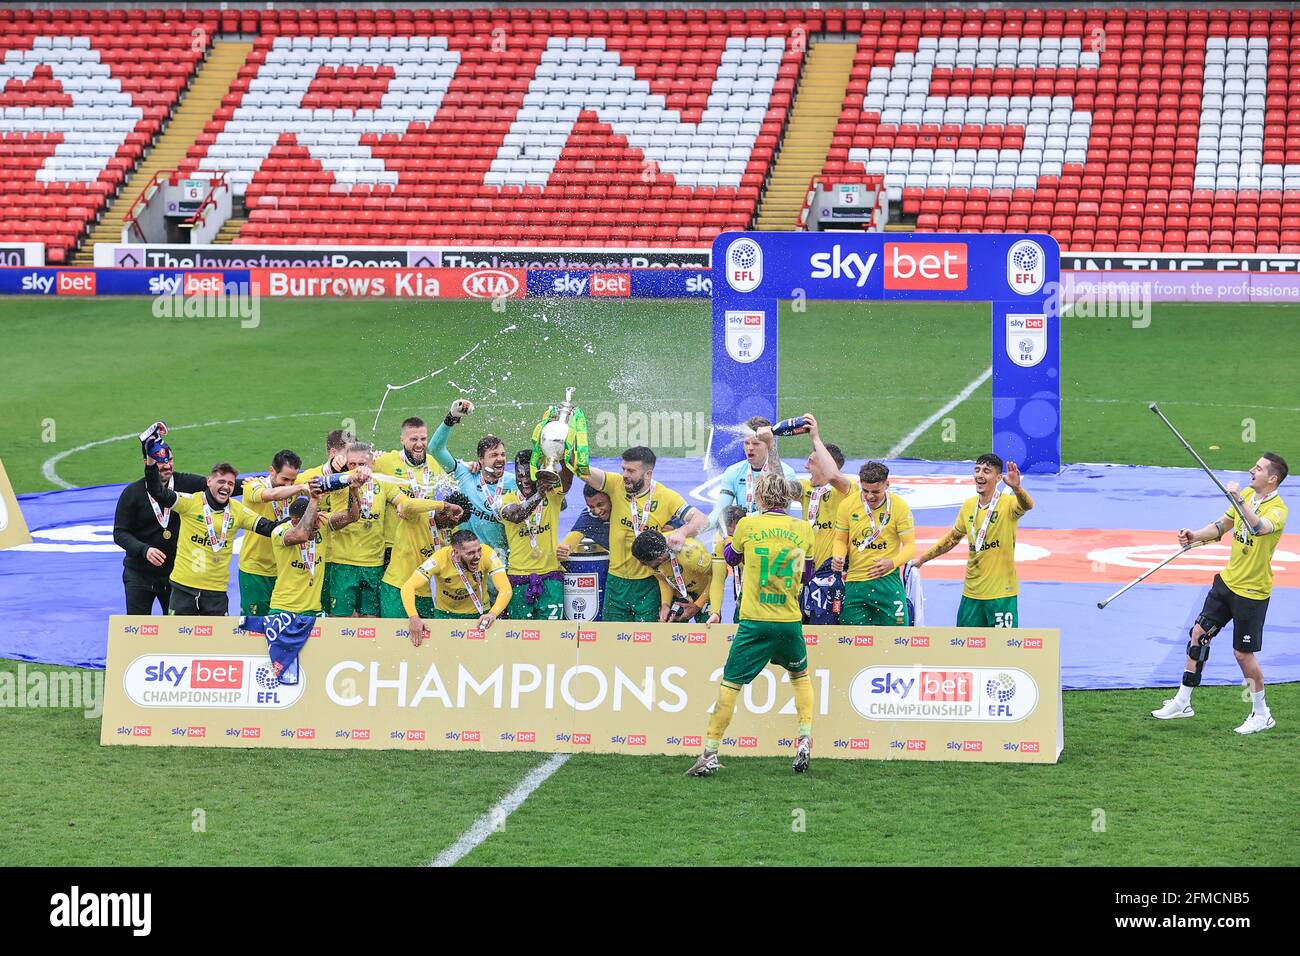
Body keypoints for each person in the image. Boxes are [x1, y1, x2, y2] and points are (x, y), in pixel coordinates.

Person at [687, 473, 815, 777]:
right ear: (786, 497)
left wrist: (729, 539)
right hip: (788, 620)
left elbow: (731, 558)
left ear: (759, 496)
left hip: (754, 621)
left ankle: (710, 752)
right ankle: (805, 738)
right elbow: (807, 575)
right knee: (800, 677)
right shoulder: (804, 529)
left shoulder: (748, 524)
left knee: (731, 684)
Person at [1152, 453, 1288, 734]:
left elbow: (1258, 528)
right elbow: (1220, 527)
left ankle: (1262, 713)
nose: (1252, 470)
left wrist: (1237, 500)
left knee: (1242, 654)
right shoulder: (1248, 493)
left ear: (1272, 478)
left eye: (1259, 468)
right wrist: (1195, 536)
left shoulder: (1278, 510)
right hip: (1227, 583)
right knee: (1199, 634)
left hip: (1252, 592)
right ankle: (1183, 701)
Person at [113, 435, 243, 614]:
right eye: (160, 461)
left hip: (174, 575)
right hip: (139, 574)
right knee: (137, 628)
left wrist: (263, 484)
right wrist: (144, 550)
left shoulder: (186, 483)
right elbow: (120, 533)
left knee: (176, 631)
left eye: (170, 460)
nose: (167, 465)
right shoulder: (132, 493)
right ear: (148, 462)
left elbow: (222, 486)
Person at [577, 446, 709, 622]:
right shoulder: (616, 484)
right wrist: (566, 449)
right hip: (616, 580)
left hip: (650, 582)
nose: (625, 474)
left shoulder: (666, 497)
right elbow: (583, 471)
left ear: (648, 474)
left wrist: (682, 532)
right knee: (612, 641)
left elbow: (702, 521)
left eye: (631, 471)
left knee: (648, 642)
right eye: (623, 469)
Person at [142, 454, 280, 616]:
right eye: (221, 482)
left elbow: (270, 528)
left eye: (230, 483)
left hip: (216, 593)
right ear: (209, 482)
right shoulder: (190, 503)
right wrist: (151, 463)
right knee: (179, 641)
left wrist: (300, 521)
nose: (226, 487)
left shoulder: (238, 510)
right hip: (183, 589)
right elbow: (157, 491)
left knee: (217, 642)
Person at [912, 453, 1033, 628]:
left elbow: (1027, 505)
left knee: (1004, 649)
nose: (980, 475)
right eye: (977, 470)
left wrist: (1017, 488)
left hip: (1001, 595)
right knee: (966, 649)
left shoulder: (1008, 504)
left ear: (999, 477)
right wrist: (923, 559)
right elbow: (952, 538)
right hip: (971, 593)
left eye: (986, 471)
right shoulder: (968, 505)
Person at [428, 399, 517, 557]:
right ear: (480, 460)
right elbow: (435, 449)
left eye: (503, 454)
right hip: (467, 558)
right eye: (494, 455)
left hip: (502, 560)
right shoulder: (465, 474)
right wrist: (451, 418)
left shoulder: (514, 482)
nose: (501, 459)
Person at [832, 461, 916, 626]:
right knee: (851, 641)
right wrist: (838, 556)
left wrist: (892, 563)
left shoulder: (899, 507)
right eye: (865, 491)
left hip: (887, 582)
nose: (870, 496)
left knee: (897, 638)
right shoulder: (847, 505)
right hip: (855, 583)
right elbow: (840, 540)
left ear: (887, 485)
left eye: (876, 491)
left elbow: (911, 547)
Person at [326, 442, 404, 617]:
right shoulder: (340, 481)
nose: (357, 469)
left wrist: (404, 508)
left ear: (372, 464)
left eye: (362, 464)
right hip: (343, 563)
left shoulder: (382, 483)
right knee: (341, 620)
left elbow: (404, 501)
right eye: (352, 464)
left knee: (371, 621)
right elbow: (322, 477)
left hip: (373, 564)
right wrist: (333, 464)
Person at [402, 529, 512, 646]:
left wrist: (492, 614)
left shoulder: (488, 553)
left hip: (480, 616)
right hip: (445, 615)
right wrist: (413, 617)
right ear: (456, 552)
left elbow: (505, 589)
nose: (478, 556)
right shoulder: (439, 558)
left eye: (478, 550)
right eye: (470, 553)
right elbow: (408, 586)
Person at [267, 481, 361, 615]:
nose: (317, 526)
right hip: (283, 608)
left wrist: (353, 490)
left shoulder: (321, 524)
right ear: (295, 522)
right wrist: (314, 499)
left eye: (317, 520)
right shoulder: (279, 532)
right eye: (313, 522)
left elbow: (353, 516)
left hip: (313, 610)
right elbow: (301, 534)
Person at [499, 450, 569, 620]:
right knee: (519, 639)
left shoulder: (553, 496)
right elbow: (517, 515)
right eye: (518, 474)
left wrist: (564, 453)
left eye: (528, 474)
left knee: (552, 636)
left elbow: (566, 480)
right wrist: (540, 493)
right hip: (518, 579)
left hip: (551, 578)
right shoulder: (505, 500)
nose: (523, 480)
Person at [237, 450, 309, 616]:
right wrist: (298, 487)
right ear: (271, 471)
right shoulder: (252, 486)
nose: (288, 485)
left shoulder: (296, 488)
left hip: (284, 571)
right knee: (254, 626)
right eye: (284, 479)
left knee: (282, 623)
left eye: (293, 480)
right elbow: (270, 495)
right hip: (256, 570)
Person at [379, 490, 464, 620]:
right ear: (444, 513)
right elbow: (406, 505)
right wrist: (444, 505)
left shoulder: (452, 531)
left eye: (455, 525)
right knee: (394, 636)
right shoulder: (417, 515)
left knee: (428, 639)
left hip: (430, 594)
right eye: (450, 523)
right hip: (398, 587)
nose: (450, 528)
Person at [373, 416, 443, 567]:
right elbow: (357, 466)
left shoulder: (434, 463)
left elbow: (453, 477)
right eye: (413, 439)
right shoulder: (386, 461)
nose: (419, 444)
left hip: (424, 541)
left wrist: (470, 465)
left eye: (423, 439)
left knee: (420, 590)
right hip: (394, 544)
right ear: (402, 440)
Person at [708, 415, 798, 530]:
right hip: (743, 534)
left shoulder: (786, 473)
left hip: (772, 535)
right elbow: (719, 512)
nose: (750, 448)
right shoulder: (733, 472)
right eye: (746, 443)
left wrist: (740, 522)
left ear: (768, 444)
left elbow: (781, 509)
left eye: (756, 444)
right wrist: (695, 528)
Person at [796, 414, 856, 570]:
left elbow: (832, 476)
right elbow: (778, 488)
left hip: (834, 572)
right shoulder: (805, 488)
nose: (805, 466)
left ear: (825, 464)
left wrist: (815, 437)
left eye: (811, 461)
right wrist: (770, 446)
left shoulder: (848, 489)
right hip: (805, 570)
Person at [631, 529, 713, 623]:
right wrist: (665, 604)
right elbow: (663, 580)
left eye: (644, 563)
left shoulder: (691, 555)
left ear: (660, 559)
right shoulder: (652, 551)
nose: (641, 565)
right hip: (681, 592)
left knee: (708, 628)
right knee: (670, 625)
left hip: (706, 591)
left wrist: (698, 605)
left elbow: (718, 577)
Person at [707, 505, 746, 624]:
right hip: (742, 581)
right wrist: (715, 612)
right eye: (726, 535)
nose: (728, 540)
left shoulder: (752, 537)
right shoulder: (721, 539)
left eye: (732, 536)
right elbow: (718, 580)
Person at [557, 483, 612, 558]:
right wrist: (562, 551)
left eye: (600, 505)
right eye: (591, 507)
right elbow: (566, 547)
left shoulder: (629, 509)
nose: (597, 511)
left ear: (611, 499)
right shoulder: (588, 518)